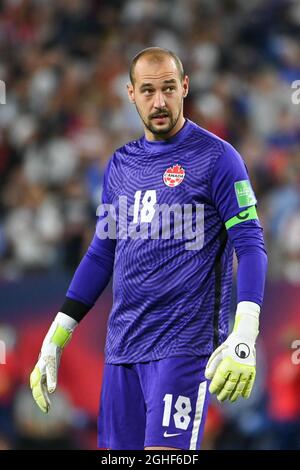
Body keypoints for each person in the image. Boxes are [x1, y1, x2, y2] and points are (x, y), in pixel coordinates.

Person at [30, 47, 268, 450]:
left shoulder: (219, 158)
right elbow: (102, 253)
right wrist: (56, 335)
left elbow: (250, 244)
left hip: (183, 348)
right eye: (148, 91)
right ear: (130, 93)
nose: (159, 102)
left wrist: (245, 331)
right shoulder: (120, 165)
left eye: (169, 89)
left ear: (185, 87)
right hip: (122, 349)